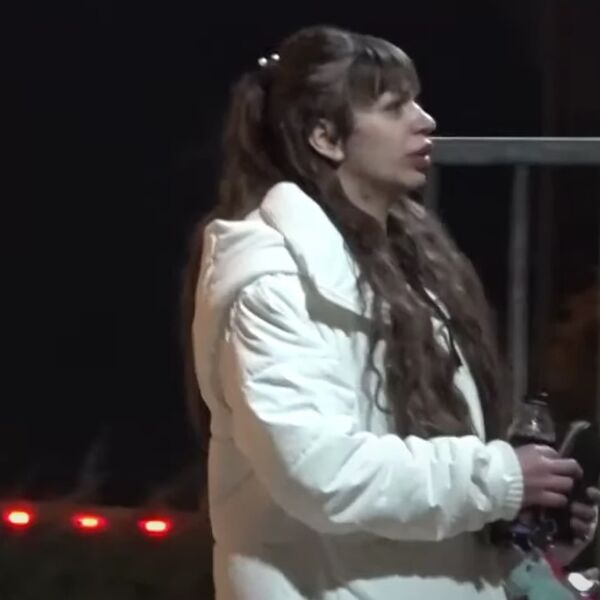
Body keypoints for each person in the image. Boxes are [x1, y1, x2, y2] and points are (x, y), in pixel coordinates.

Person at [183, 25, 599, 599]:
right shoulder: (274, 279)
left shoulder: (412, 268)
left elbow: (415, 501)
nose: (425, 121)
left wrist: (518, 539)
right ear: (326, 137)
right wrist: (500, 477)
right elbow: (320, 472)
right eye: (394, 107)